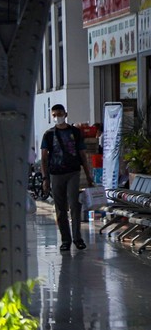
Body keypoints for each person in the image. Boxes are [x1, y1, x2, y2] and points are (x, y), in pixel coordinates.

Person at [41, 104, 94, 251]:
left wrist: (89, 176)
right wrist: (45, 179)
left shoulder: (75, 132)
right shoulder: (48, 134)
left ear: (65, 114)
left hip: (73, 172)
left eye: (60, 114)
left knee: (74, 204)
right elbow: (44, 158)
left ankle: (77, 238)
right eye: (55, 115)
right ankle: (66, 240)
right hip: (56, 174)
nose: (57, 117)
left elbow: (82, 154)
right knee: (60, 208)